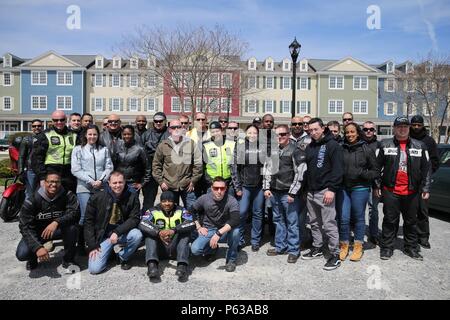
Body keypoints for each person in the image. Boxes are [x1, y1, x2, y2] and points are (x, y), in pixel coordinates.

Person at [375, 116, 431, 261]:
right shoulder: (384, 145)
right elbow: (376, 167)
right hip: (390, 191)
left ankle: (410, 248)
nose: (402, 129)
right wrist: (377, 185)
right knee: (389, 220)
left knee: (411, 221)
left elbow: (427, 169)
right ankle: (387, 248)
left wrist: (426, 188)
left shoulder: (420, 146)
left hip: (412, 192)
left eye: (405, 126)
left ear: (409, 128)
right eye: (399, 126)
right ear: (394, 128)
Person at [16, 171, 80, 271]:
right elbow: (25, 226)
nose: (54, 184)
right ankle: (33, 258)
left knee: (73, 228)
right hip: (38, 232)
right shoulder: (32, 200)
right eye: (50, 181)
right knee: (22, 254)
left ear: (60, 182)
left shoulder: (68, 195)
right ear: (44, 183)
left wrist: (56, 222)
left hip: (57, 229)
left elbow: (74, 213)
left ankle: (68, 260)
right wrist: (37, 247)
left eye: (57, 182)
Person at [302, 118, 343, 271]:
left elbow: (338, 169)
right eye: (310, 130)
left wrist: (332, 189)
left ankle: (335, 255)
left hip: (325, 191)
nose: (313, 132)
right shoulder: (311, 146)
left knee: (329, 224)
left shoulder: (332, 145)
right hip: (311, 192)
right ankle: (317, 248)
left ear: (323, 128)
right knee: (314, 223)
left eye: (315, 129)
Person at [84, 171, 143, 274]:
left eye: (120, 182)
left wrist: (117, 231)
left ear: (125, 182)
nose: (117, 185)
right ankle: (108, 252)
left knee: (137, 235)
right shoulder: (97, 197)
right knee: (94, 269)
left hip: (121, 233)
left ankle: (122, 257)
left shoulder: (132, 196)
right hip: (103, 236)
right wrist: (92, 245)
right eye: (114, 183)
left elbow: (134, 218)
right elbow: (88, 221)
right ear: (109, 183)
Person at [263, 125, 307, 263]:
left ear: (288, 135)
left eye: (283, 134)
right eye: (277, 135)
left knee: (292, 222)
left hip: (288, 193)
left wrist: (292, 193)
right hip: (274, 192)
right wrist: (266, 188)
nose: (280, 137)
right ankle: (280, 246)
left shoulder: (296, 150)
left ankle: (294, 249)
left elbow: (300, 173)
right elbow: (267, 169)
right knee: (278, 220)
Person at [339, 123, 379, 262]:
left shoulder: (366, 149)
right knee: (344, 218)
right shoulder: (341, 148)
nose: (350, 135)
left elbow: (375, 171)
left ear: (357, 133)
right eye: (347, 132)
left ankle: (357, 246)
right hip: (344, 188)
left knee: (358, 218)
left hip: (360, 188)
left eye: (352, 132)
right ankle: (344, 245)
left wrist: (362, 173)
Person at [71, 124, 113, 254]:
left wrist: (101, 180)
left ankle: (99, 242)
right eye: (90, 134)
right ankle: (81, 243)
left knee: (101, 216)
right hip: (84, 187)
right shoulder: (78, 149)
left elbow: (109, 167)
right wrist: (90, 181)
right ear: (85, 135)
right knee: (85, 216)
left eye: (95, 134)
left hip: (101, 186)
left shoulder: (104, 149)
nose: (92, 137)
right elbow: (75, 169)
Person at [139, 191, 196, 282]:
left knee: (185, 234)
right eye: (164, 201)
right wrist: (158, 232)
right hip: (159, 249)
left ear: (174, 202)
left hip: (175, 249)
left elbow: (191, 223)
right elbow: (142, 223)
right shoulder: (152, 211)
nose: (167, 204)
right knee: (149, 236)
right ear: (160, 202)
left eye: (170, 201)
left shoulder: (181, 210)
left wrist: (174, 230)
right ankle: (152, 266)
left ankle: (182, 266)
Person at [190, 177, 240, 272]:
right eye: (216, 188)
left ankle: (231, 260)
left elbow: (235, 219)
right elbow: (191, 210)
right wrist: (199, 226)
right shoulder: (204, 198)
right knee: (195, 250)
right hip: (208, 229)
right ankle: (212, 249)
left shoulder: (231, 200)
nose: (219, 191)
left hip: (224, 230)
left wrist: (218, 233)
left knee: (236, 232)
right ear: (212, 188)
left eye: (222, 188)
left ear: (226, 189)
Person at [152, 119, 202, 212]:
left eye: (178, 127)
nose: (176, 129)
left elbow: (198, 164)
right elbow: (156, 165)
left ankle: (193, 226)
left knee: (192, 211)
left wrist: (193, 181)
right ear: (169, 130)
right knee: (171, 212)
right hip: (169, 185)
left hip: (187, 185)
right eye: (173, 127)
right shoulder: (163, 145)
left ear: (183, 128)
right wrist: (161, 182)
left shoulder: (191, 144)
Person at [231, 124, 265, 251]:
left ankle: (255, 240)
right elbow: (234, 168)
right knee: (242, 212)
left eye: (255, 133)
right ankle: (239, 239)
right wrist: (237, 187)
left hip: (259, 187)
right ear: (246, 134)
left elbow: (267, 166)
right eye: (249, 132)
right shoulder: (240, 147)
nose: (252, 135)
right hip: (245, 186)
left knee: (258, 213)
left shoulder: (262, 147)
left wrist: (266, 186)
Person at [409, 115, 440, 249]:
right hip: (406, 180)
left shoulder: (429, 141)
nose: (416, 127)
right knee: (408, 211)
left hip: (422, 183)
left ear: (423, 126)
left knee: (422, 211)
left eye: (418, 125)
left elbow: (435, 161)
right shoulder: (406, 138)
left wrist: (425, 176)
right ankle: (410, 236)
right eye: (414, 125)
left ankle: (423, 237)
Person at [32, 110, 77, 193]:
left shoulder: (73, 135)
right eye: (56, 120)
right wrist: (42, 177)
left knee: (69, 198)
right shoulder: (45, 135)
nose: (59, 122)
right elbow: (37, 158)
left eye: (62, 120)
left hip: (69, 173)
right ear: (52, 121)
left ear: (66, 119)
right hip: (51, 171)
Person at [142, 112, 170, 210]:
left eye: (160, 121)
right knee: (148, 200)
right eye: (156, 121)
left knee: (169, 199)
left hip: (166, 172)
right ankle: (146, 220)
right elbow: (141, 154)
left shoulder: (170, 134)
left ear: (165, 121)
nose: (158, 123)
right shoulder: (146, 134)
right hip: (151, 171)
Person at [362, 121, 382, 245]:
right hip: (359, 182)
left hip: (374, 182)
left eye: (371, 129)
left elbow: (381, 167)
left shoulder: (380, 145)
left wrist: (377, 185)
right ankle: (357, 233)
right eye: (365, 129)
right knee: (358, 210)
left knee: (373, 209)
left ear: (374, 131)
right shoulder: (358, 143)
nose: (368, 131)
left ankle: (374, 234)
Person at [114, 125, 151, 194]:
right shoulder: (117, 146)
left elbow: (148, 167)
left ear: (133, 135)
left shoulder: (140, 149)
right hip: (119, 182)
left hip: (132, 184)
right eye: (124, 134)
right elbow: (114, 163)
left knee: (132, 204)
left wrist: (142, 183)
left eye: (129, 134)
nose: (126, 136)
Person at [202, 121, 236, 195]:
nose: (215, 133)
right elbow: (203, 165)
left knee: (229, 205)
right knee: (211, 205)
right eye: (213, 132)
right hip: (212, 182)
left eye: (217, 131)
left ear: (221, 130)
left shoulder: (231, 143)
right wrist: (209, 180)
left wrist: (233, 179)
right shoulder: (206, 145)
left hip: (228, 182)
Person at [19, 119, 43, 200]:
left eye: (39, 126)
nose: (37, 127)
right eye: (34, 126)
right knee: (29, 193)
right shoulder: (26, 139)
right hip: (30, 170)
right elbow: (21, 156)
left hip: (43, 170)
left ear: (42, 127)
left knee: (43, 193)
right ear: (31, 127)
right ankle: (27, 211)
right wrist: (20, 170)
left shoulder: (46, 138)